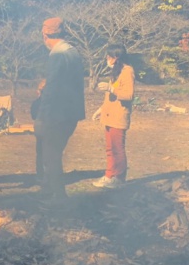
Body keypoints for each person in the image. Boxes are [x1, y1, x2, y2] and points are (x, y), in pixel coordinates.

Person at [35, 17, 85, 201]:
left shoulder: (57, 54)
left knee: (51, 156)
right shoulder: (73, 51)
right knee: (55, 152)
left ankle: (59, 197)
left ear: (45, 34)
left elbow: (53, 88)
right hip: (72, 113)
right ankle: (48, 190)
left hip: (57, 113)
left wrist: (42, 115)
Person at [91, 44, 135, 188]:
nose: (107, 59)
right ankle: (109, 175)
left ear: (116, 57)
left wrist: (111, 88)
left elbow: (128, 95)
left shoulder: (127, 71)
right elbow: (110, 97)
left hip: (118, 116)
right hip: (109, 115)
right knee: (110, 149)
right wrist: (100, 110)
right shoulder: (116, 72)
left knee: (118, 148)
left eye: (109, 56)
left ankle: (119, 178)